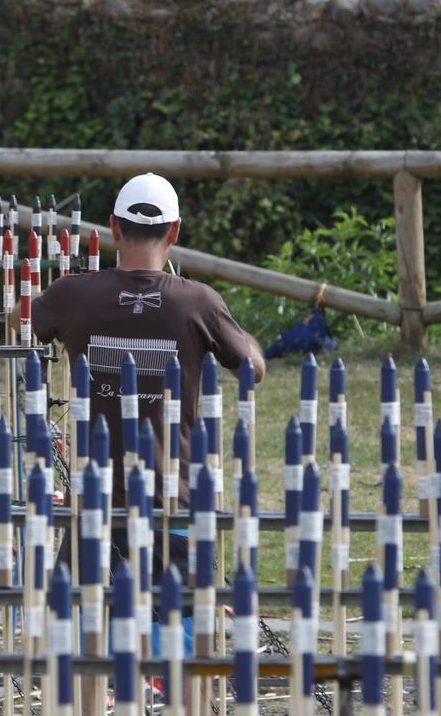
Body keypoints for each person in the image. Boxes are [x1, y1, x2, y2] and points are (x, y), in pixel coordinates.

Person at [30, 173, 267, 497]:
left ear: (114, 227)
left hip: (93, 504)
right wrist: (235, 333)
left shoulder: (71, 295)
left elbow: (22, 319)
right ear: (175, 230)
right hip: (171, 500)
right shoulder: (199, 302)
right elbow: (252, 370)